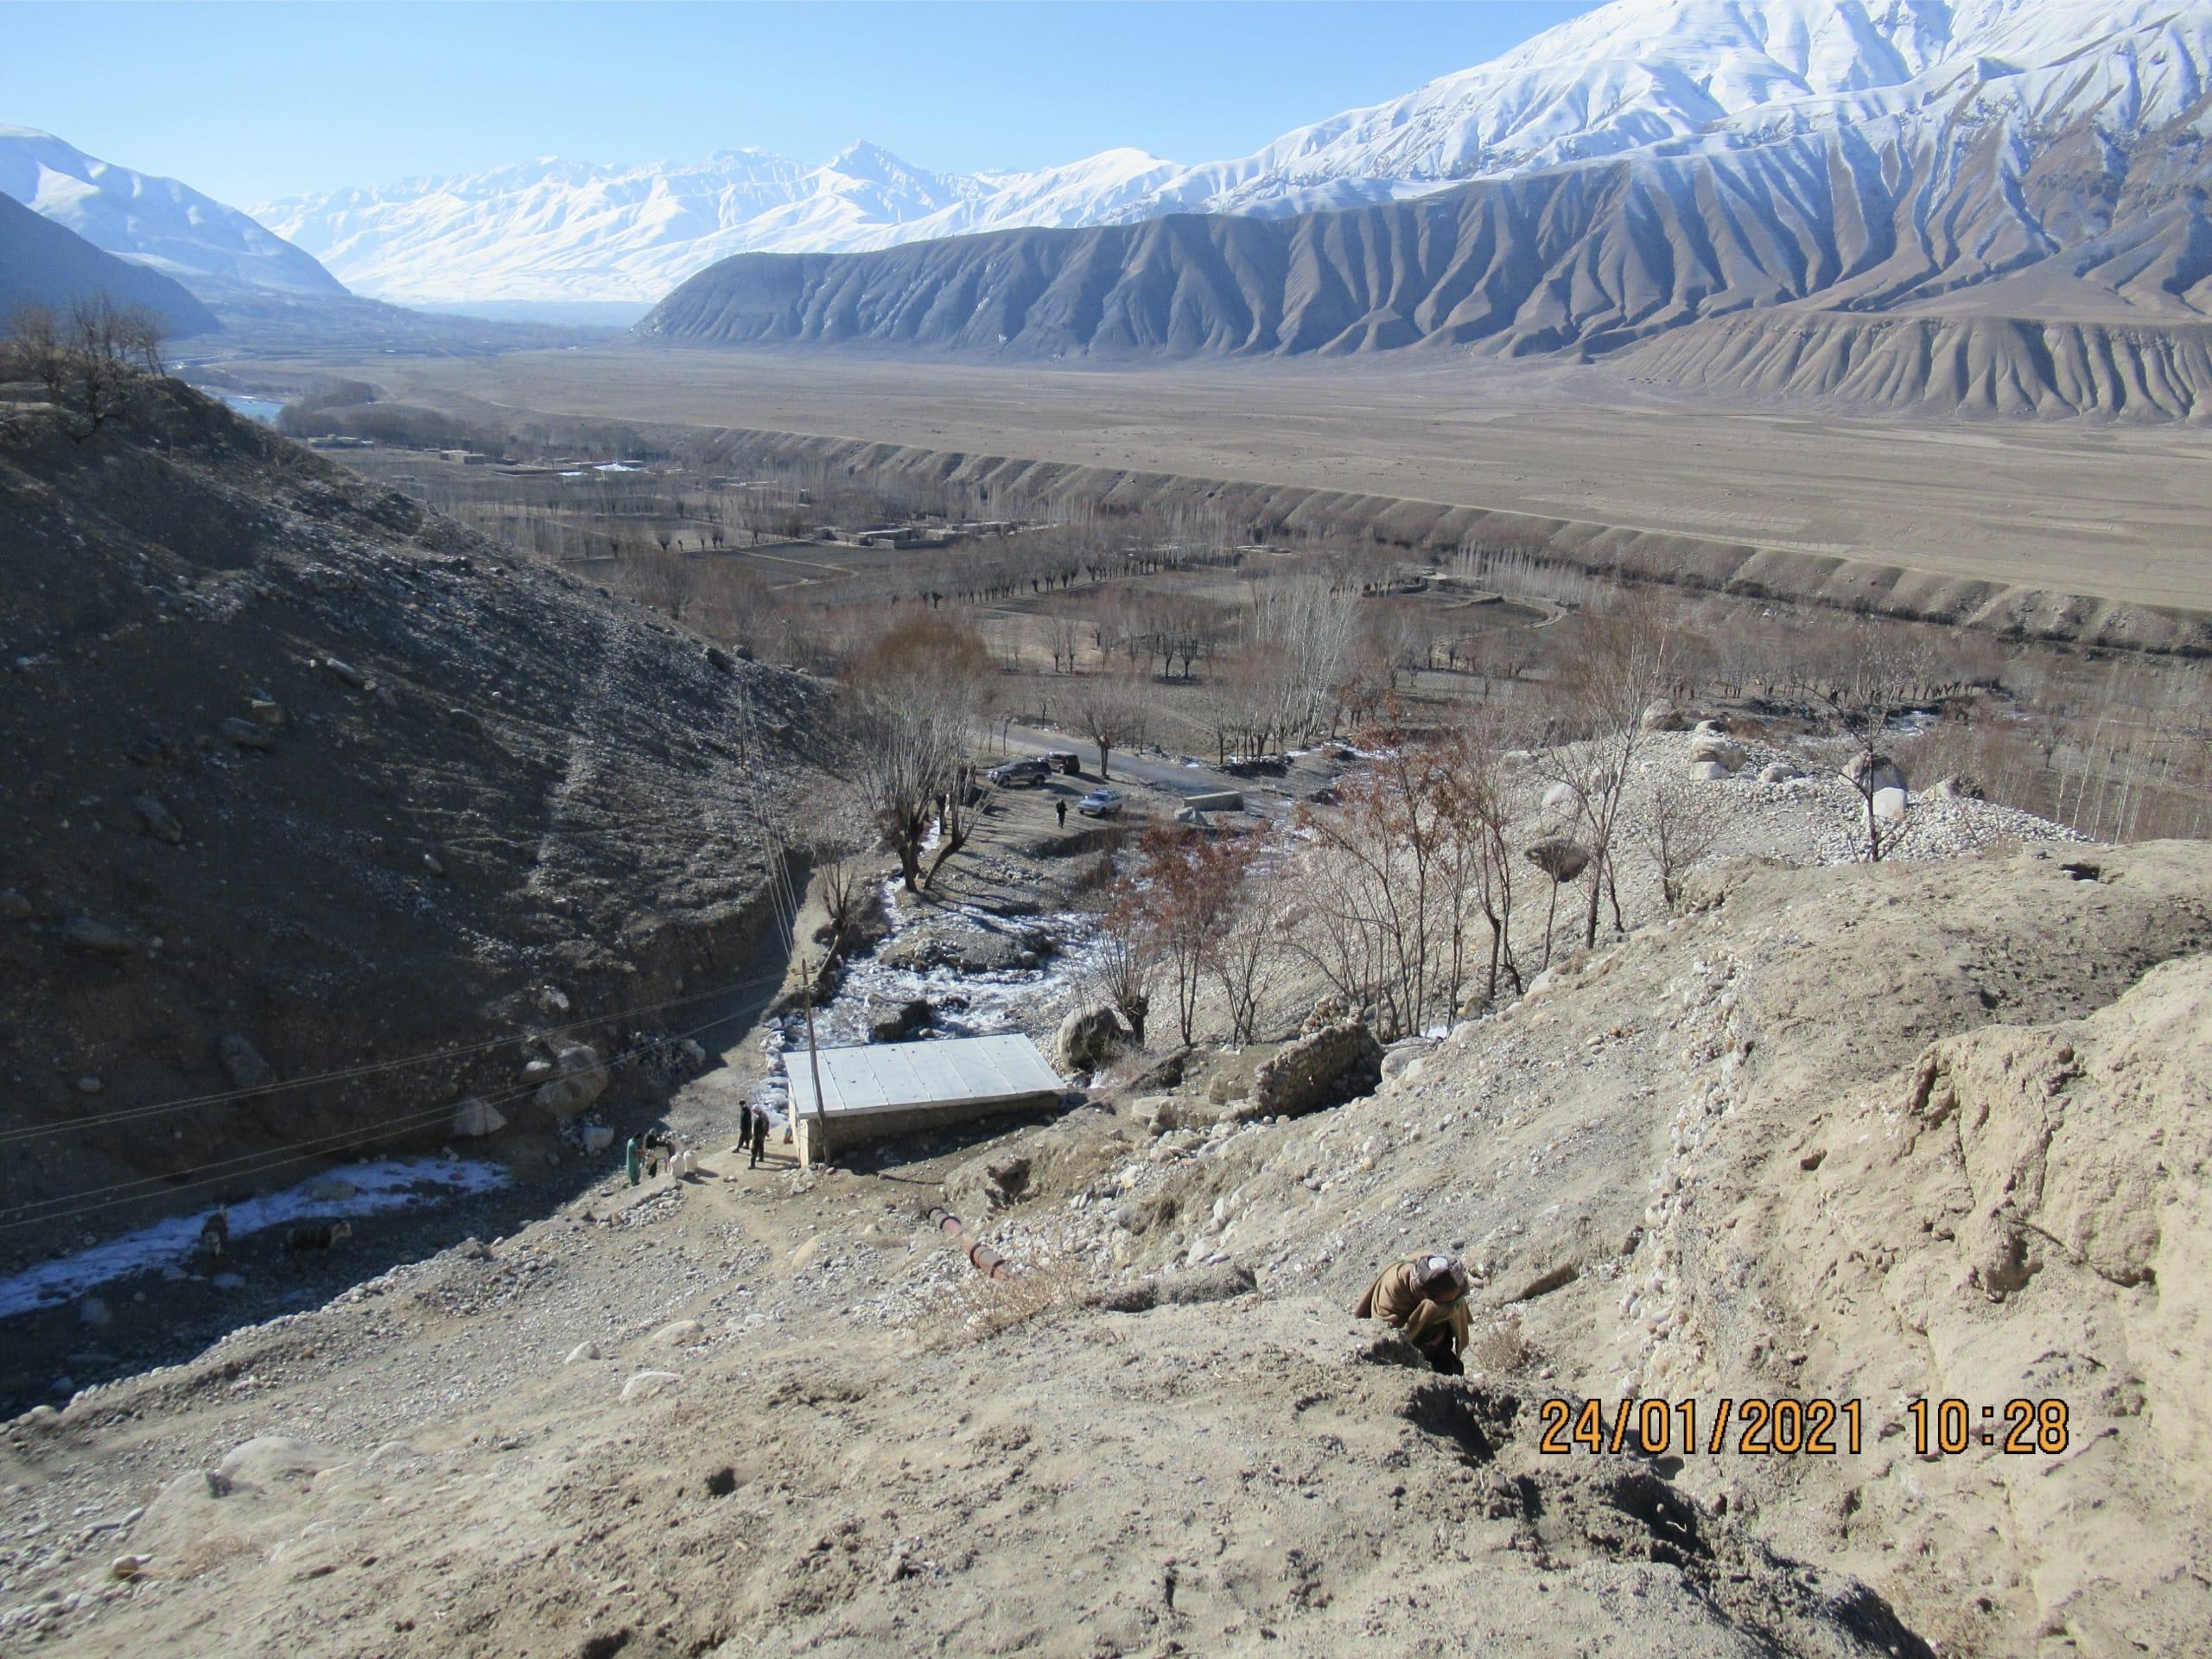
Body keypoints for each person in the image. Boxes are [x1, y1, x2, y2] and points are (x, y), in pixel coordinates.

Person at [1353, 1253, 1472, 1375]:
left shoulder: (1442, 1271)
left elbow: (1448, 1308)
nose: (1452, 1304)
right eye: (1447, 1302)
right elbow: (1388, 1336)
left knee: (1451, 1367)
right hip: (1400, 1342)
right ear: (1426, 1294)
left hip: (1426, 1334)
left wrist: (1441, 1328)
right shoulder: (1393, 1289)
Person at [748, 1104, 769, 1169]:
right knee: (761, 1147)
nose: (754, 1112)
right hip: (761, 1136)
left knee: (754, 1150)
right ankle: (761, 1158)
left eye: (755, 1111)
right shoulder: (764, 1116)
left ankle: (752, 1165)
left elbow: (762, 1127)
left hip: (758, 1136)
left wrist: (757, 1135)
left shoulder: (760, 1118)